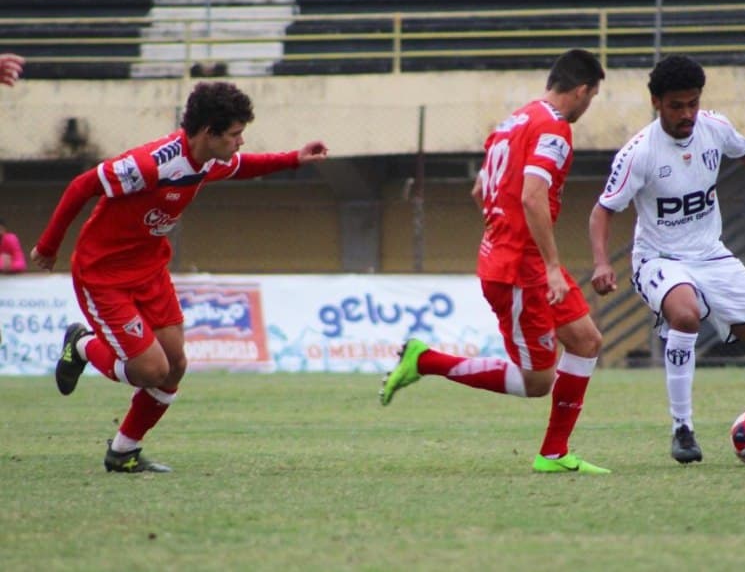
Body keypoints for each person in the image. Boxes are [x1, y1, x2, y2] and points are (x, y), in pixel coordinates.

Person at [30, 81, 329, 473]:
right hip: (104, 275)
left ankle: (123, 452)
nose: (240, 142)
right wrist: (49, 247)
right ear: (210, 133)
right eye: (236, 134)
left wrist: (294, 158)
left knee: (174, 366)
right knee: (148, 371)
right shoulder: (150, 164)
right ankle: (83, 345)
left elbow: (243, 167)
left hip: (150, 270)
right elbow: (81, 186)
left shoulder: (206, 159)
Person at [589, 54, 745, 466]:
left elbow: (744, 148)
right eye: (677, 105)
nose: (687, 114)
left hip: (712, 257)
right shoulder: (638, 153)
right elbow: (602, 210)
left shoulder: (713, 127)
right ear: (656, 102)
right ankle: (682, 428)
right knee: (684, 316)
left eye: (693, 103)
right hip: (659, 259)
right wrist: (601, 263)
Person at [380, 49, 611, 474]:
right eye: (592, 97)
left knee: (585, 341)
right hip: (522, 271)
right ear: (581, 91)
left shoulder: (511, 123)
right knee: (537, 382)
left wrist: (502, 229)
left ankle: (555, 454)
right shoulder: (555, 129)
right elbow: (531, 195)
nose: (587, 105)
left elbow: (479, 191)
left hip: (513, 259)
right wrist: (553, 265)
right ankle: (425, 360)